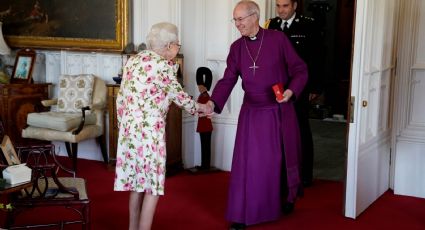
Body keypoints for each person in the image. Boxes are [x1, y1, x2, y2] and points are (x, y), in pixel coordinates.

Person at [204, 1, 308, 229]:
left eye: (240, 19)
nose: (237, 24)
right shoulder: (236, 48)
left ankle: (282, 201)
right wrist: (213, 102)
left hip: (277, 110)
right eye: (235, 20)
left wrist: (291, 91)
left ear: (255, 17)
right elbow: (228, 79)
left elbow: (300, 69)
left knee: (277, 161)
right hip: (251, 113)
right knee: (247, 165)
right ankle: (241, 214)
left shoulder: (278, 39)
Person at [113, 22, 209, 230]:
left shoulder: (133, 60)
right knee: (152, 188)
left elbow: (120, 99)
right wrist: (202, 109)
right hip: (150, 136)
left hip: (129, 133)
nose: (178, 49)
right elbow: (180, 98)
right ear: (169, 46)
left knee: (137, 185)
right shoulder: (163, 66)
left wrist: (124, 126)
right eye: (178, 45)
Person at [265, 0, 325, 187]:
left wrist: (315, 87)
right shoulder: (272, 25)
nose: (281, 10)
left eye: (285, 6)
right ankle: (281, 172)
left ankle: (305, 175)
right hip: (277, 87)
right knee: (278, 129)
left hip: (300, 87)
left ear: (295, 6)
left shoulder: (309, 24)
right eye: (278, 6)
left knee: (301, 129)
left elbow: (318, 58)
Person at [196, 67, 213, 170]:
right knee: (204, 145)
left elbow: (207, 110)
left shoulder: (205, 96)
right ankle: (204, 165)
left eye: (200, 86)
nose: (198, 87)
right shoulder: (203, 95)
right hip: (203, 124)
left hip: (205, 124)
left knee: (206, 146)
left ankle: (205, 166)